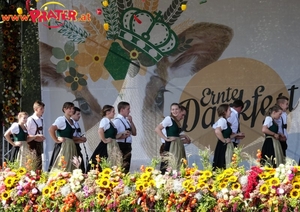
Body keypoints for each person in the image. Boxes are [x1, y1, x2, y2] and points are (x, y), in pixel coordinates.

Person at [155, 103, 190, 174]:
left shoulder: (175, 121)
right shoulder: (168, 119)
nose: (175, 111)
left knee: (177, 163)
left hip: (174, 145)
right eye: (173, 109)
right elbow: (157, 129)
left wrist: (182, 137)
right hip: (169, 145)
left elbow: (173, 136)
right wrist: (166, 139)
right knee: (170, 164)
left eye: (176, 109)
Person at [88, 105, 123, 171]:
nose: (114, 113)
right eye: (113, 111)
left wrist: (122, 133)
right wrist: (104, 140)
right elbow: (100, 130)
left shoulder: (110, 122)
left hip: (113, 144)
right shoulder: (105, 120)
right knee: (106, 161)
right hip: (107, 145)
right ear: (107, 112)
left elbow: (113, 136)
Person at [48, 102, 78, 172]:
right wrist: (56, 139)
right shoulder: (61, 119)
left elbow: (70, 136)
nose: (72, 110)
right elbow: (51, 129)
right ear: (64, 109)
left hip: (71, 146)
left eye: (72, 108)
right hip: (64, 146)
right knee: (63, 164)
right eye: (69, 108)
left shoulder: (72, 121)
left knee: (71, 165)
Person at [212, 104, 244, 170]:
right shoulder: (222, 120)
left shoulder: (225, 121)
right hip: (223, 146)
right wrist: (224, 140)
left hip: (225, 145)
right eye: (229, 110)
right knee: (223, 163)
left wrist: (237, 134)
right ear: (224, 112)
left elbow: (227, 135)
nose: (231, 112)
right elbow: (217, 131)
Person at [113, 101, 137, 173]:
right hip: (121, 145)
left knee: (127, 165)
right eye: (128, 109)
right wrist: (122, 136)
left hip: (128, 145)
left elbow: (134, 133)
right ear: (122, 110)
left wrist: (131, 122)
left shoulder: (126, 120)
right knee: (121, 165)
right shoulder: (117, 121)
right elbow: (113, 136)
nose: (129, 111)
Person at [26, 100, 46, 170]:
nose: (43, 110)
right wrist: (35, 137)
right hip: (31, 144)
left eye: (43, 109)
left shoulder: (42, 119)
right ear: (35, 109)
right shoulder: (30, 119)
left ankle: (38, 178)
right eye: (41, 109)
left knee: (39, 163)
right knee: (31, 163)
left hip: (39, 144)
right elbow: (26, 134)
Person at [71, 107, 87, 172]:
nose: (79, 116)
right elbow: (70, 137)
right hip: (72, 147)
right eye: (78, 114)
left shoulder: (76, 123)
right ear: (72, 114)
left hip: (77, 146)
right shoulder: (71, 123)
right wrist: (80, 138)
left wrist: (81, 139)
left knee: (80, 164)